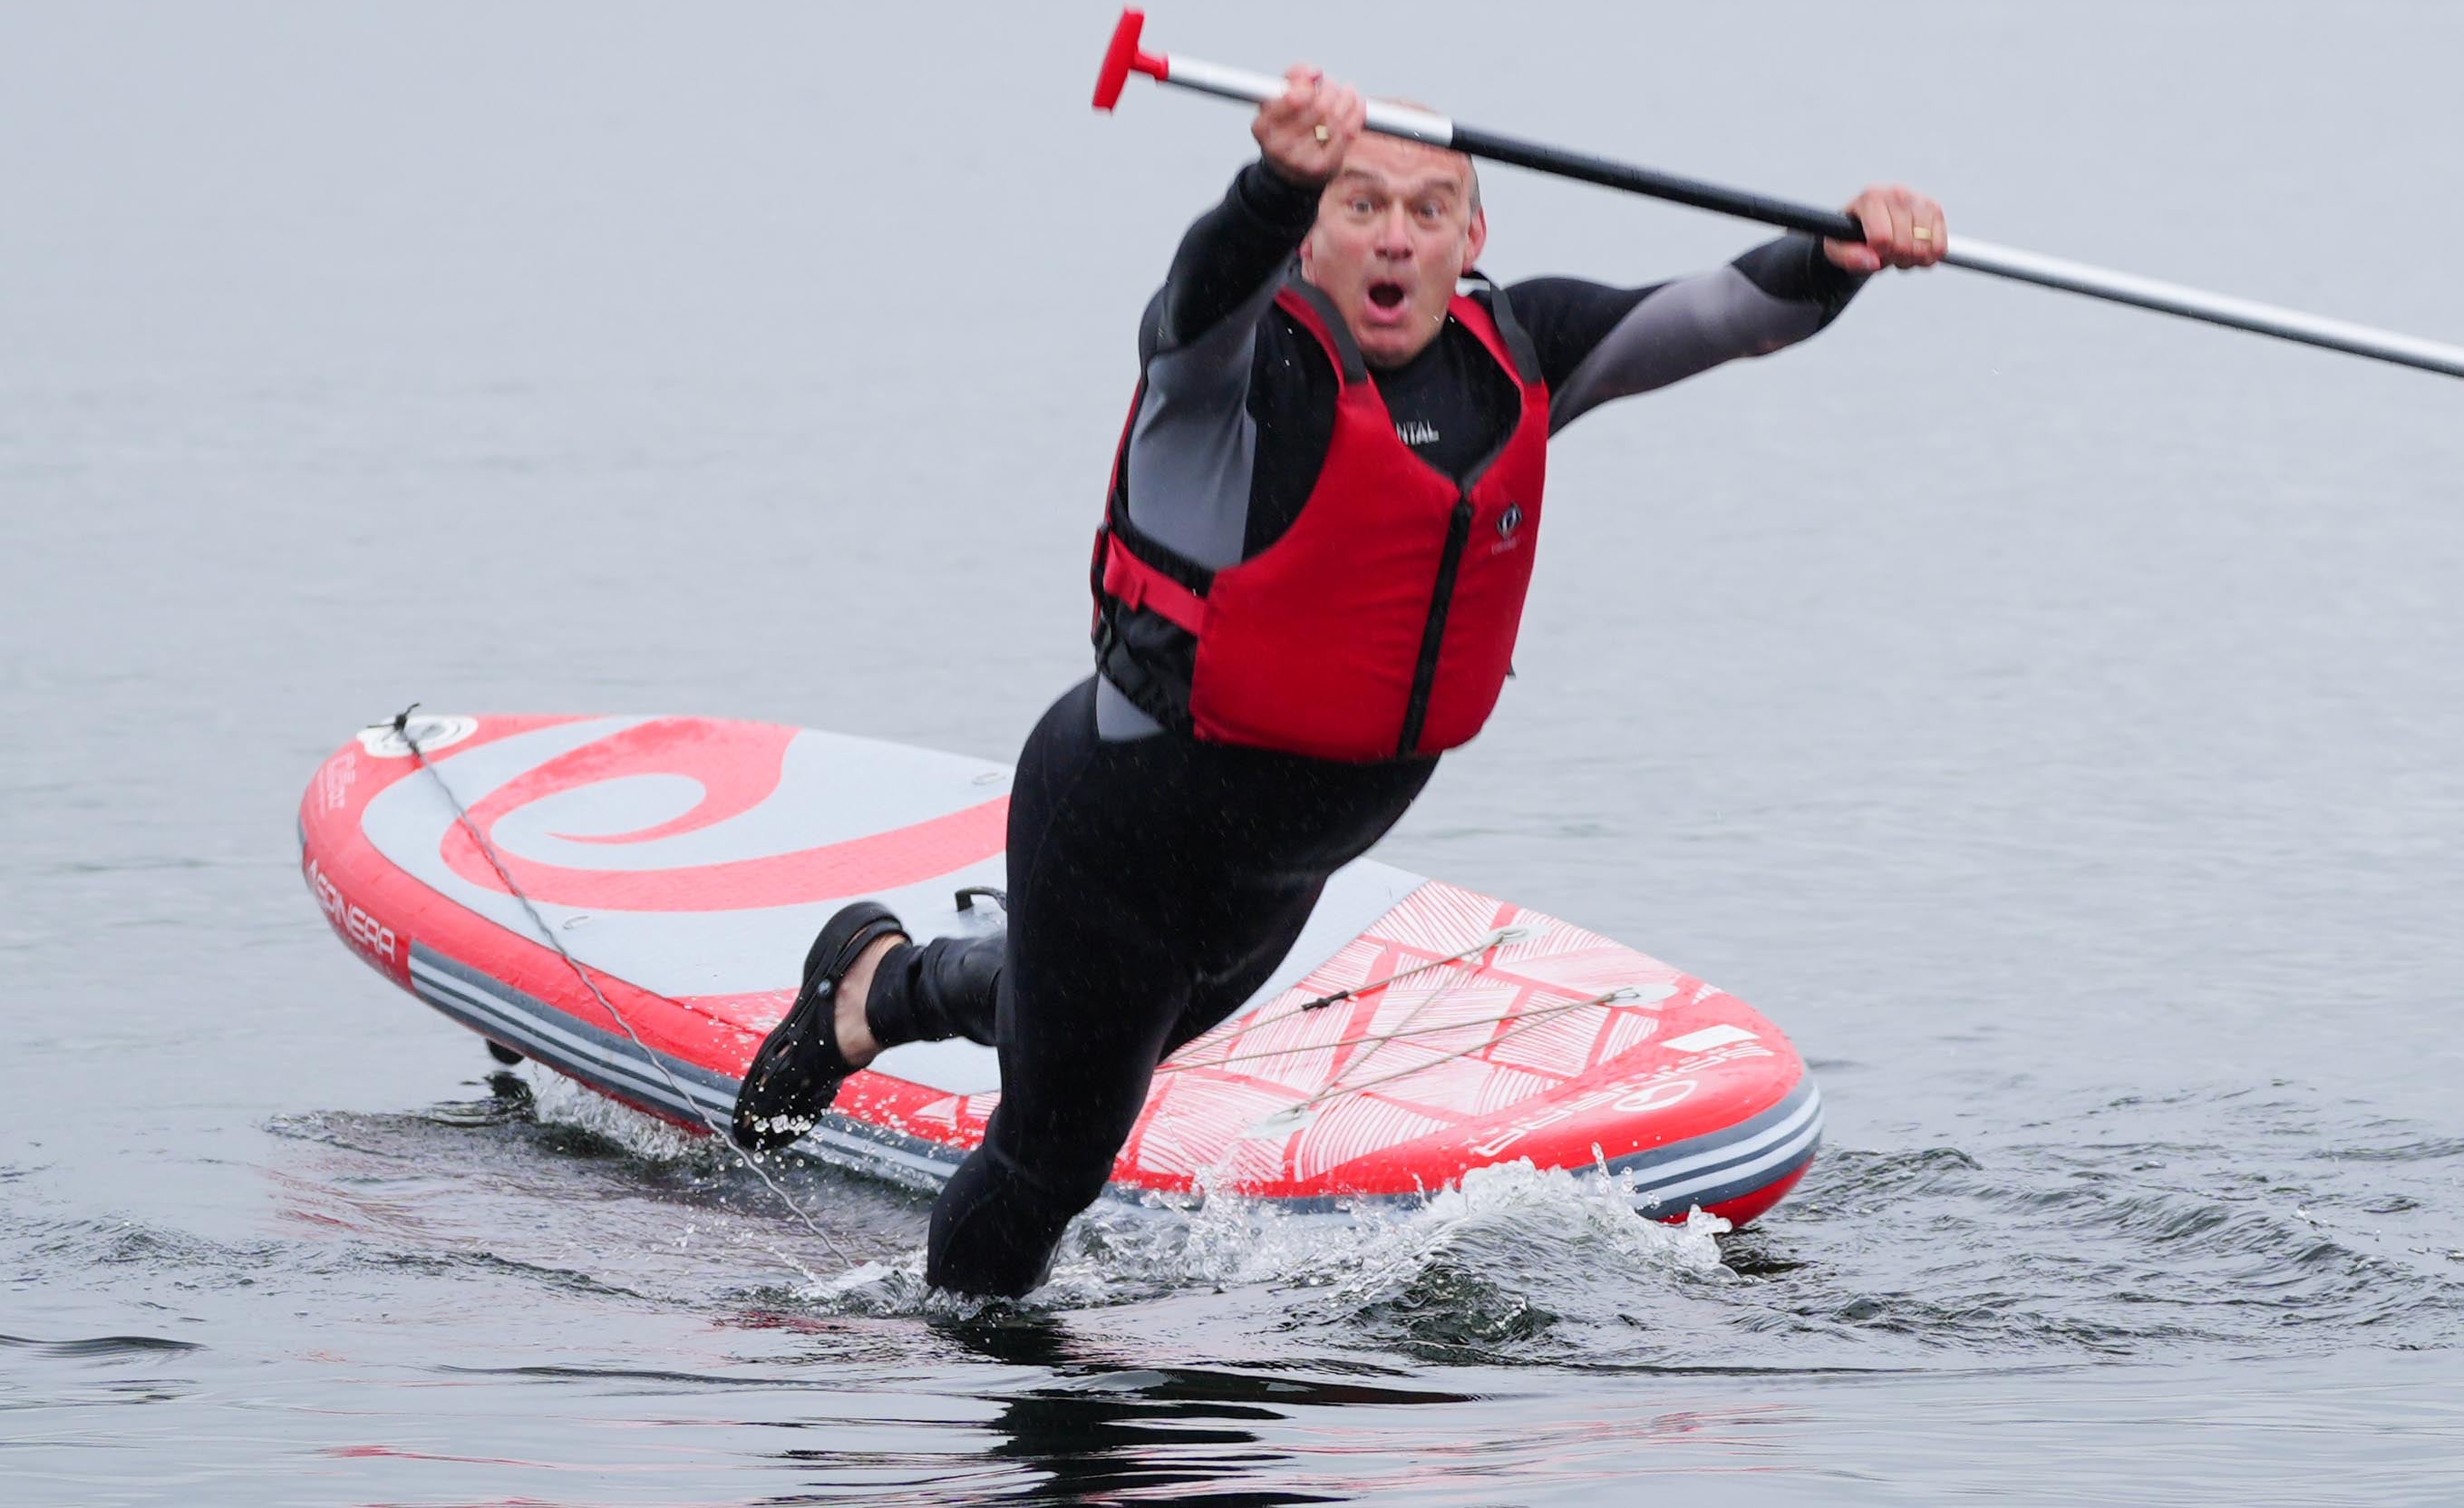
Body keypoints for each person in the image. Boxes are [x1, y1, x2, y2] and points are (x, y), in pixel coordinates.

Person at [731, 63, 1948, 1295]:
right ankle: (981, 1388)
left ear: (1471, 237)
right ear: (1311, 231)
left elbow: (1722, 310)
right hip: (1118, 826)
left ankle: (870, 987)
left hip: (1274, 880)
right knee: (1051, 1158)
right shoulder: (1234, 368)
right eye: (1359, 203)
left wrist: (1841, 253)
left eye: (1428, 210)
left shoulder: (1514, 356)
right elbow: (1194, 297)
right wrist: (1269, 184)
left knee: (1090, 1026)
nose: (1394, 235)